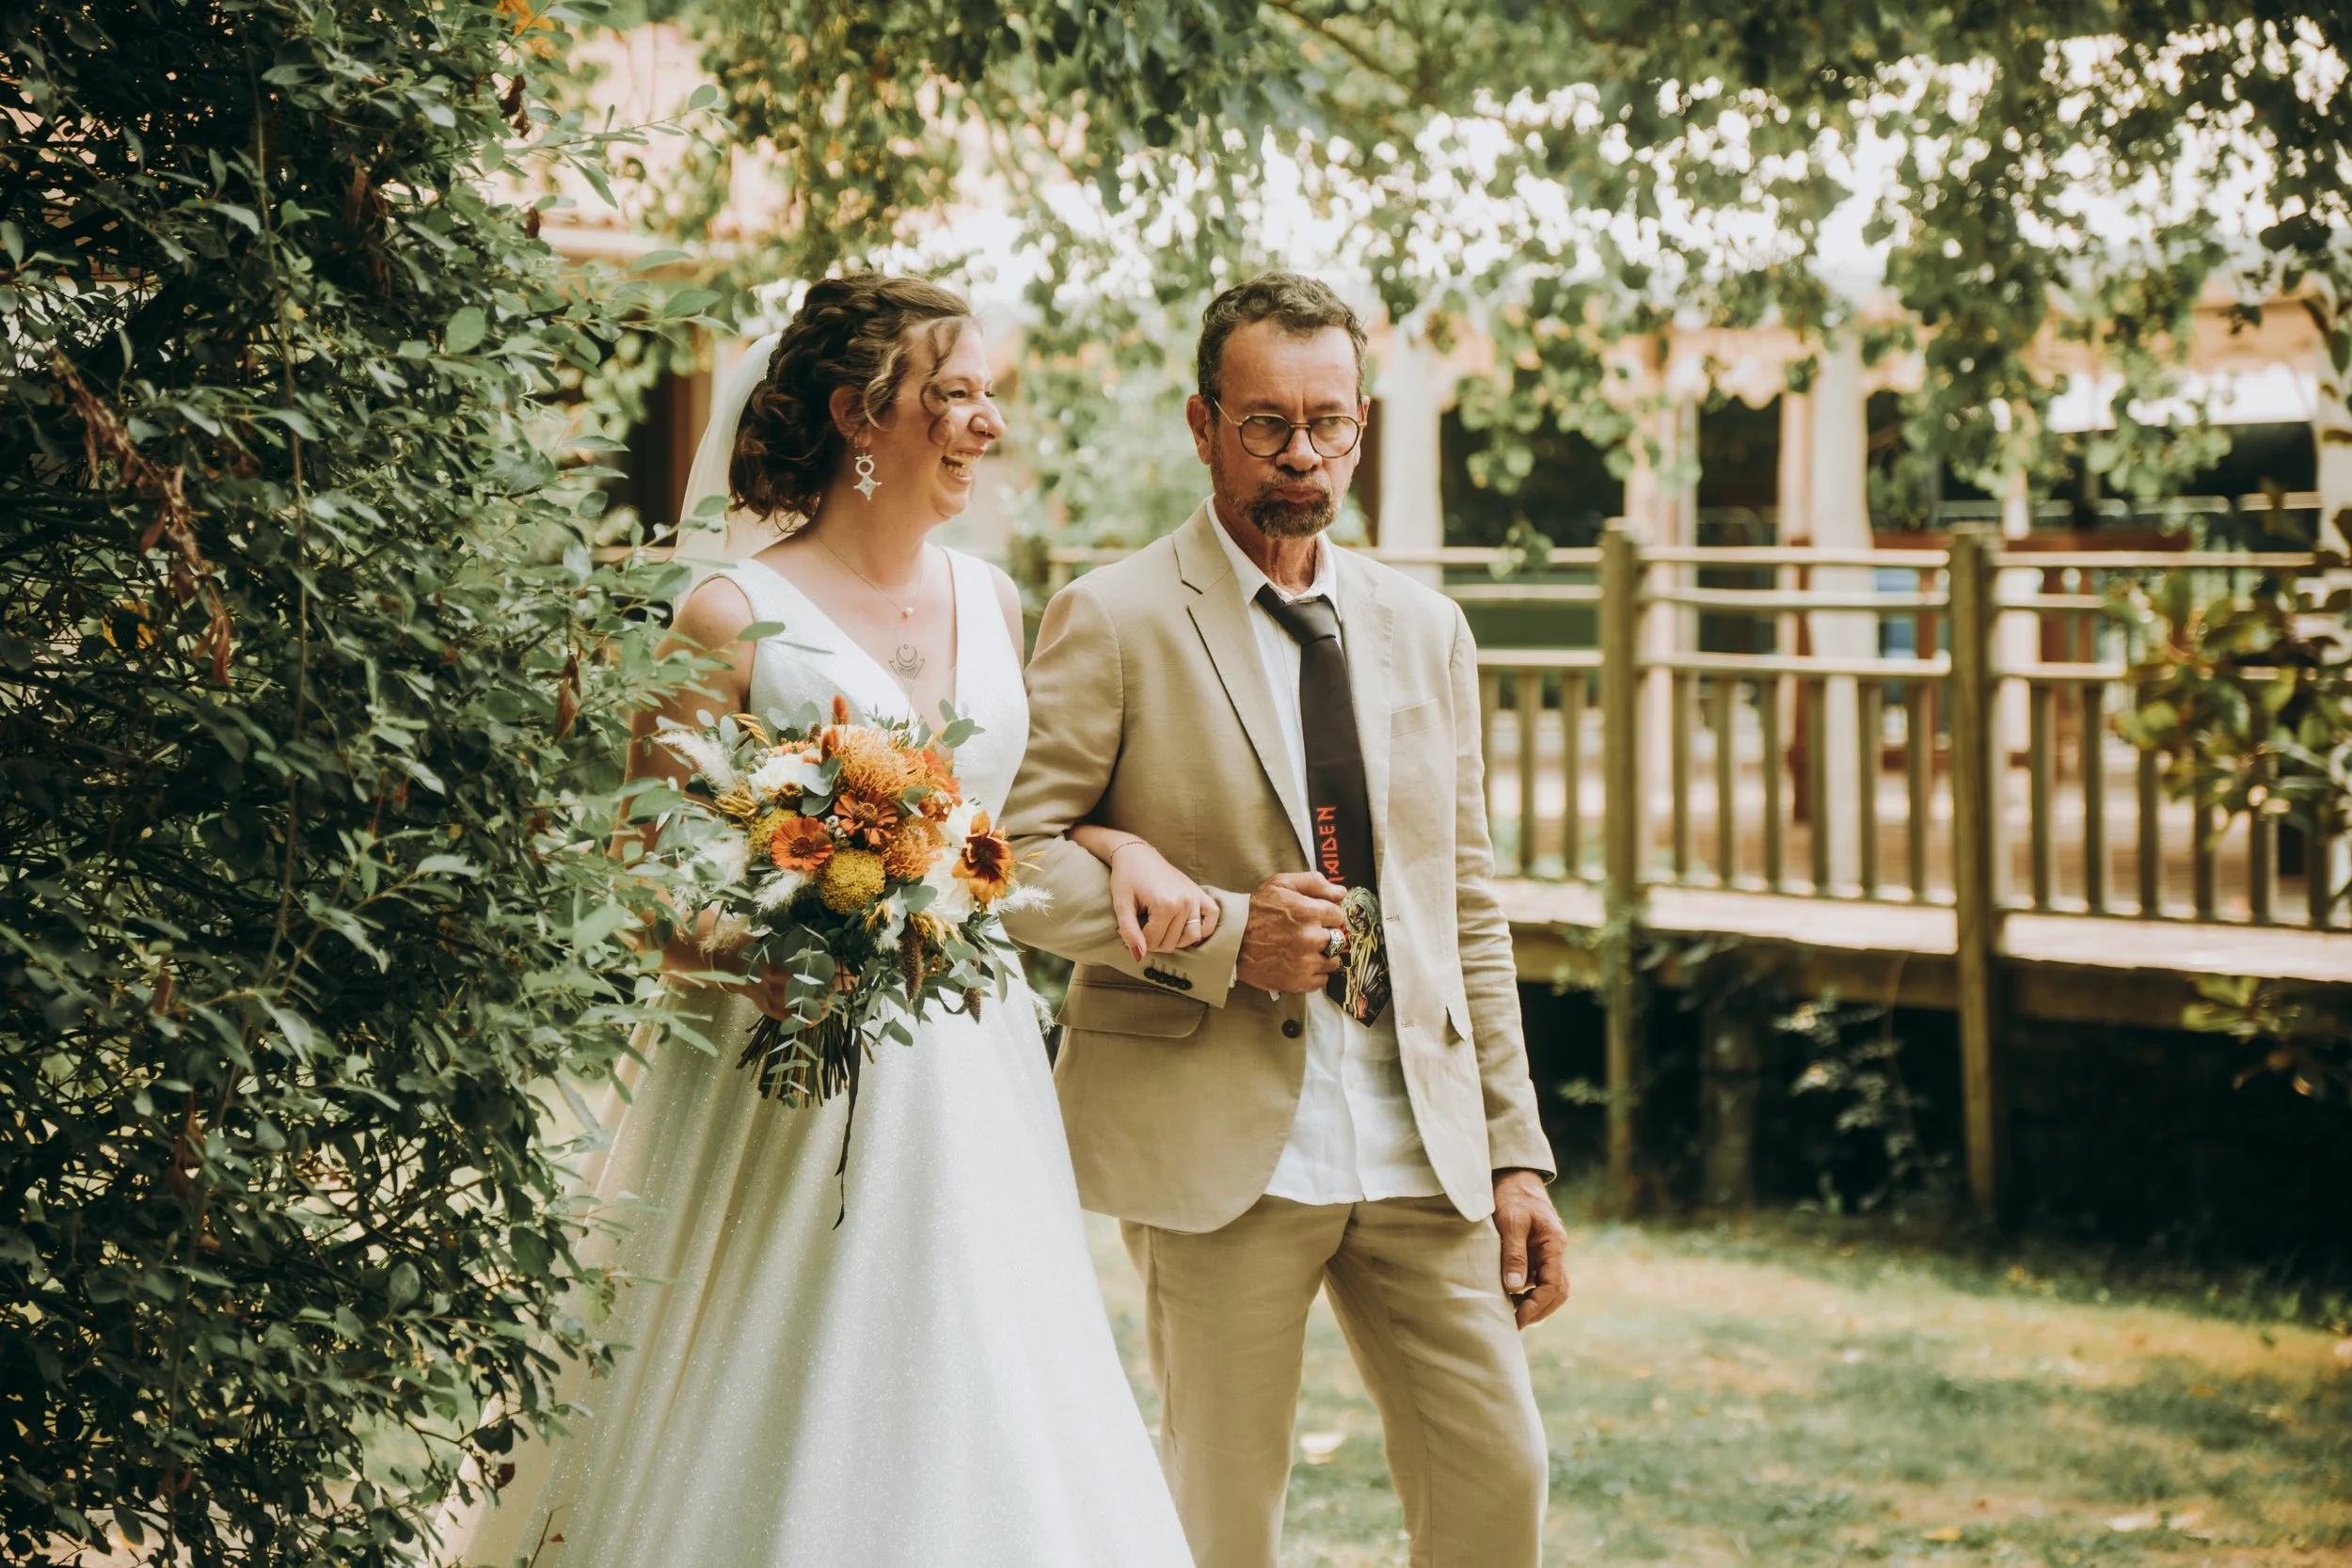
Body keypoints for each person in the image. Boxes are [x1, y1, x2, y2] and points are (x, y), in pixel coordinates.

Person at [449, 274, 1195, 1568]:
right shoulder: (730, 615)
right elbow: (640, 872)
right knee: (786, 1369)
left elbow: (1009, 824)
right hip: (790, 1071)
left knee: (989, 1368)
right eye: (954, 395)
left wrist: (1119, 843)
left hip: (974, 1064)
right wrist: (764, 953)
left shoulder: (998, 602)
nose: (985, 424)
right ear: (863, 414)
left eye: (986, 395)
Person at [1000, 271, 1569, 1568]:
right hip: (1223, 1156)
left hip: (1422, 1146)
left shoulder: (1428, 628)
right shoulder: (1118, 614)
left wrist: (1515, 1154)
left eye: (1331, 424)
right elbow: (1009, 859)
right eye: (1267, 424)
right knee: (1221, 1521)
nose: (1302, 456)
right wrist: (1215, 941)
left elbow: (1465, 907)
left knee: (1500, 1483)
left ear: (1362, 424)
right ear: (1203, 426)